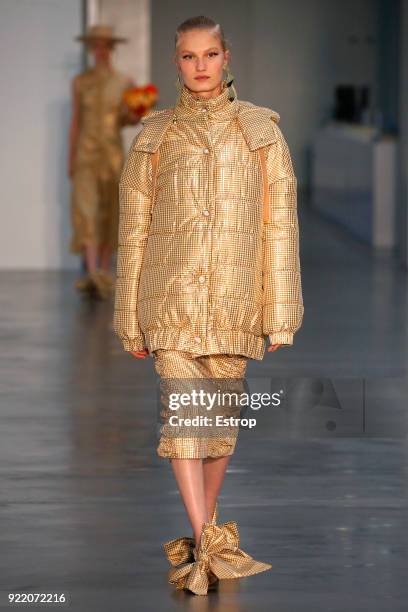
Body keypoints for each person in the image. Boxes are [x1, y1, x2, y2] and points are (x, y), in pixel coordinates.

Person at [113, 15, 304, 595]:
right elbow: (134, 228)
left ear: (226, 59)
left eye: (210, 54)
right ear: (176, 64)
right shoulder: (155, 136)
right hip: (168, 298)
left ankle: (206, 540)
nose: (200, 65)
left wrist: (281, 309)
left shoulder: (261, 132)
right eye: (189, 56)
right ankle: (206, 543)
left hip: (236, 299)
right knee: (184, 419)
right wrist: (129, 314)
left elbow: (280, 226)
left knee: (218, 424)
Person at [68, 25, 142, 299]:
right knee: (86, 210)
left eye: (104, 45)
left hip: (112, 155)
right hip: (86, 155)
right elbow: (76, 121)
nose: (100, 50)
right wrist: (70, 157)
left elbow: (129, 119)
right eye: (95, 45)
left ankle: (103, 270)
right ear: (91, 48)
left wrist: (139, 109)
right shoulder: (80, 82)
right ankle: (92, 272)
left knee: (111, 211)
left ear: (111, 48)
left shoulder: (125, 82)